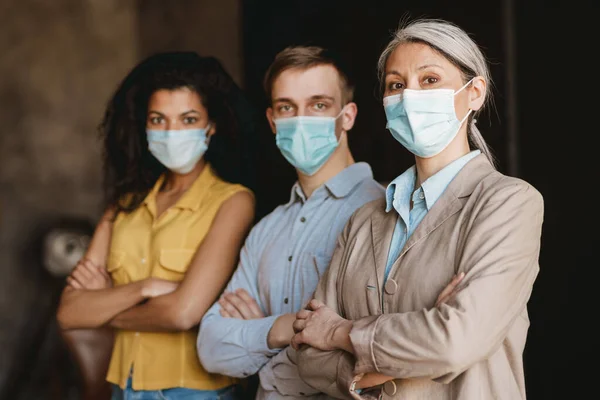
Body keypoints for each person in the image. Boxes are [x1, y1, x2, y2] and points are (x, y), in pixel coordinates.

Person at [291, 18, 544, 400]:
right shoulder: (362, 220)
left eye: (429, 80)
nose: (409, 96)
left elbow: (456, 342)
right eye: (396, 85)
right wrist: (418, 342)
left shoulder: (508, 203)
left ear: (474, 93)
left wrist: (341, 333)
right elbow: (308, 356)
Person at [56, 51, 256, 400]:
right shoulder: (124, 206)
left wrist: (103, 305)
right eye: (158, 119)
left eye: (188, 119)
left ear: (211, 127)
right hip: (122, 386)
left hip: (195, 391)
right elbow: (69, 313)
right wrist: (145, 288)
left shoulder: (233, 201)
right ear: (144, 126)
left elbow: (182, 313)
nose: (172, 132)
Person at [196, 46, 386, 399]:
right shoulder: (266, 229)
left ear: (347, 116)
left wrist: (255, 336)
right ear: (272, 121)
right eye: (287, 107)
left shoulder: (385, 212)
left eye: (318, 105)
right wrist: (282, 328)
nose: (301, 120)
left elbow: (378, 349)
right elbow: (211, 348)